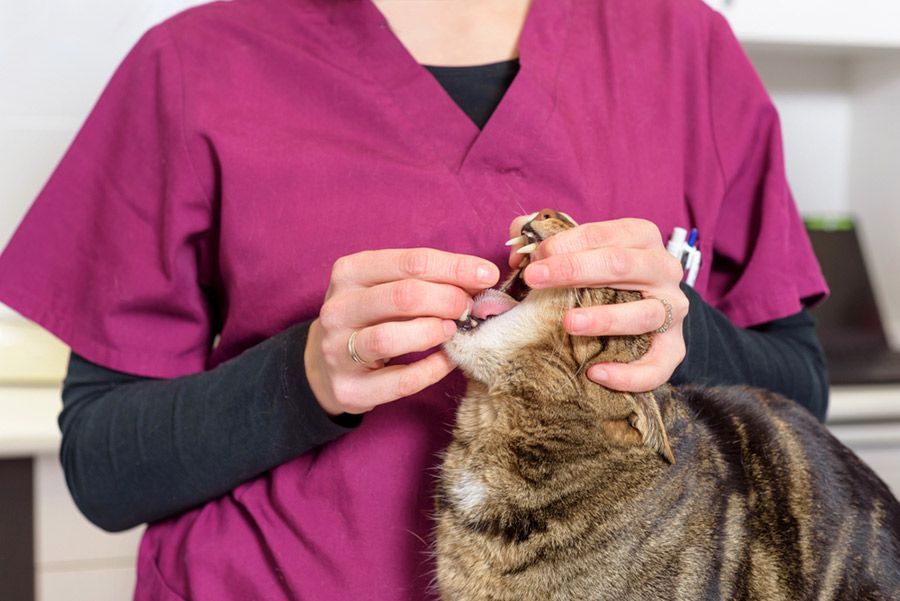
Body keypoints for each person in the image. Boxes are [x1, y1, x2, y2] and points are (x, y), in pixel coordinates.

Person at [0, 0, 828, 598]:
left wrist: (670, 320)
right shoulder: (190, 64)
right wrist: (307, 377)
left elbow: (801, 402)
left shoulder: (688, 48)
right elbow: (103, 470)